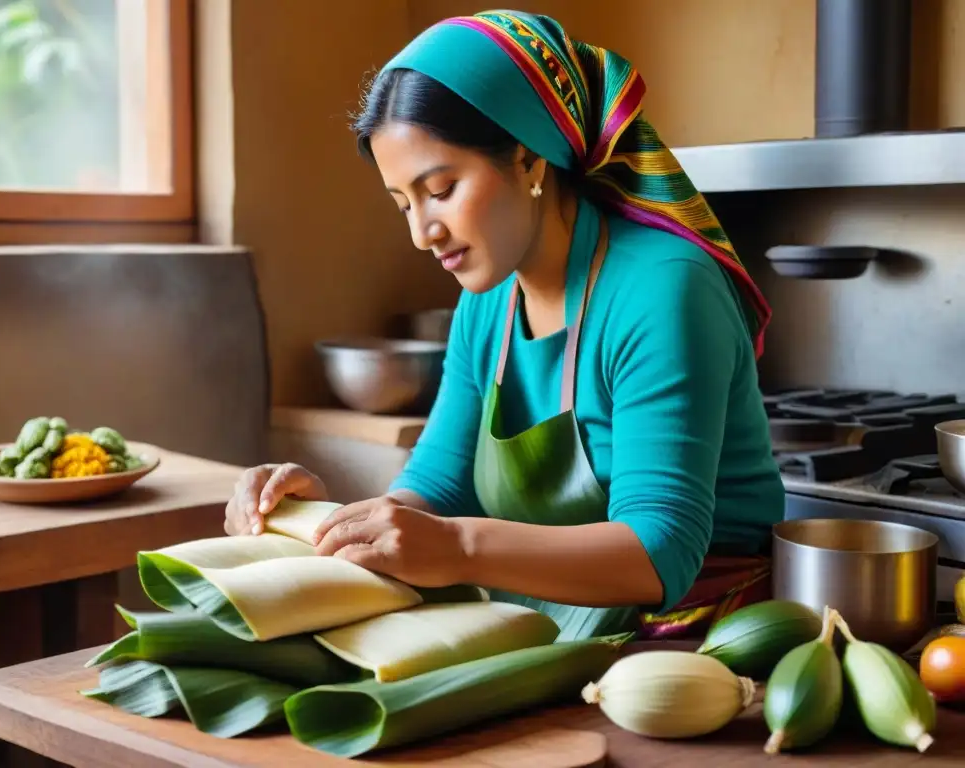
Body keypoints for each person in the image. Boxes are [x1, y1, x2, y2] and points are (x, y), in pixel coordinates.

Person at [224, 10, 785, 642]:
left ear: (527, 157)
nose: (421, 233)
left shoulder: (663, 288)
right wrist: (328, 519)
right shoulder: (488, 301)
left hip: (698, 642)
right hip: (557, 629)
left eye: (440, 189)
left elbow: (660, 552)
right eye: (403, 203)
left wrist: (457, 546)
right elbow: (438, 483)